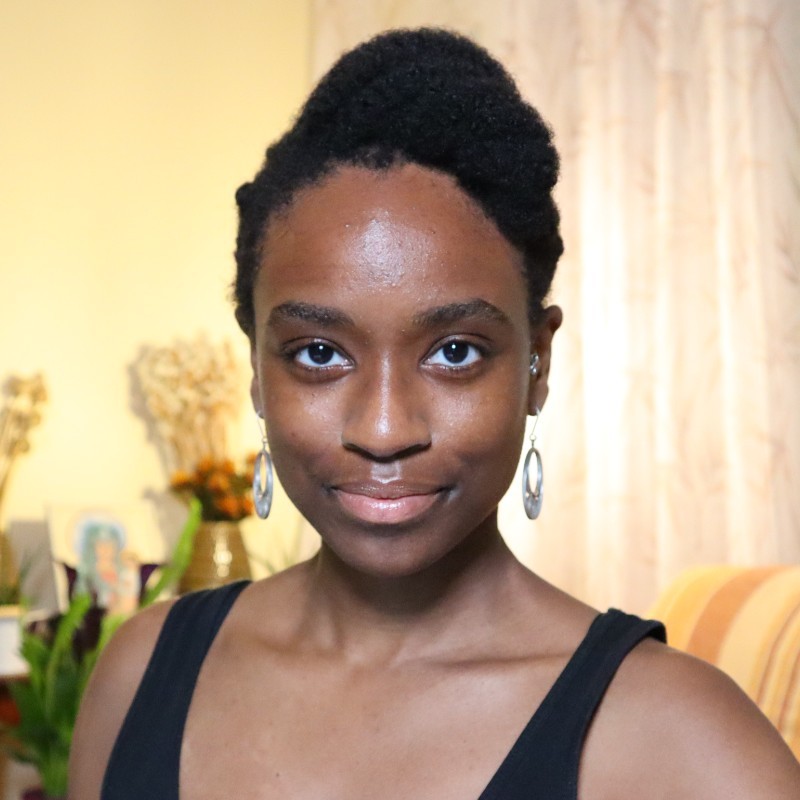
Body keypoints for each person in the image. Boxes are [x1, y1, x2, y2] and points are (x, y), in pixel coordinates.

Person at [70, 28, 800, 799]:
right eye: (318, 353)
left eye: (454, 352)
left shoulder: (679, 742)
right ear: (257, 368)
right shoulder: (137, 679)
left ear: (538, 364)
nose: (384, 430)